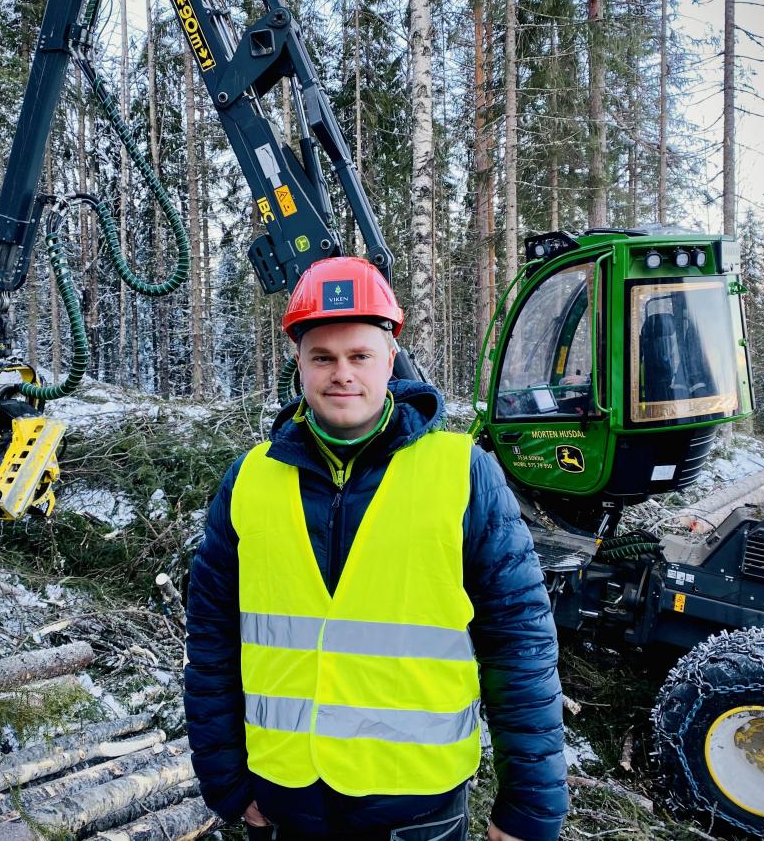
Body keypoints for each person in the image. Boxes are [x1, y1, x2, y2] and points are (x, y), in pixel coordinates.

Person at [184, 257, 567, 841]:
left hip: (415, 804)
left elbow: (519, 642)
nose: (343, 374)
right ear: (299, 366)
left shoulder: (461, 473)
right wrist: (225, 779)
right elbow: (211, 639)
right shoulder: (249, 481)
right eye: (323, 357)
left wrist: (531, 807)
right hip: (285, 796)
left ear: (391, 358)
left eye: (359, 356)